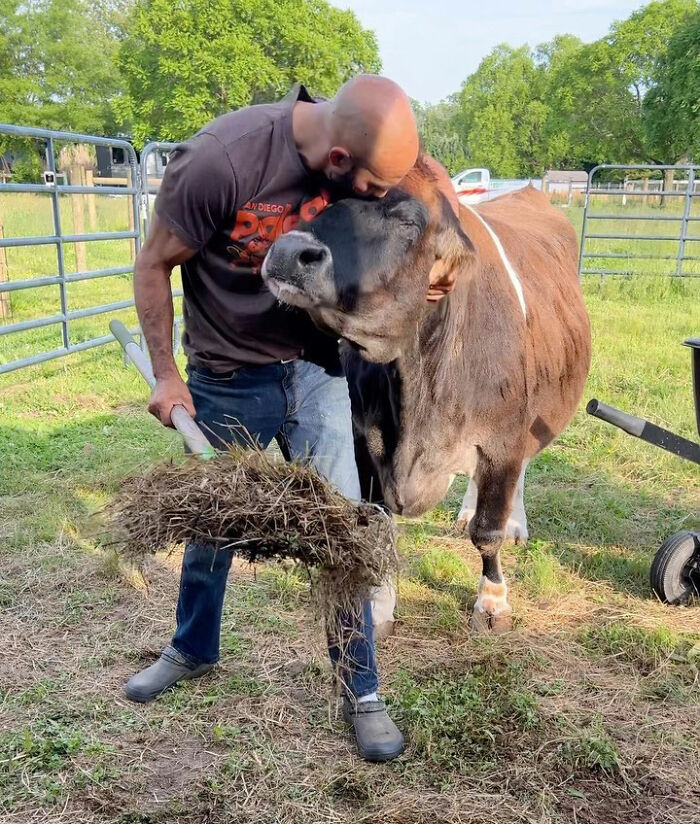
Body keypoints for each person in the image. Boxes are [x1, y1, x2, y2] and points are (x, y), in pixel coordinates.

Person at [125, 75, 422, 763]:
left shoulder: (364, 168)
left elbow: (403, 223)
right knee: (214, 523)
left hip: (318, 370)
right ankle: (191, 648)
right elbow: (153, 264)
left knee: (346, 529)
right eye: (374, 187)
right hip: (229, 373)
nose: (377, 199)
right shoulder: (221, 161)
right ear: (341, 162)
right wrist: (168, 375)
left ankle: (362, 692)